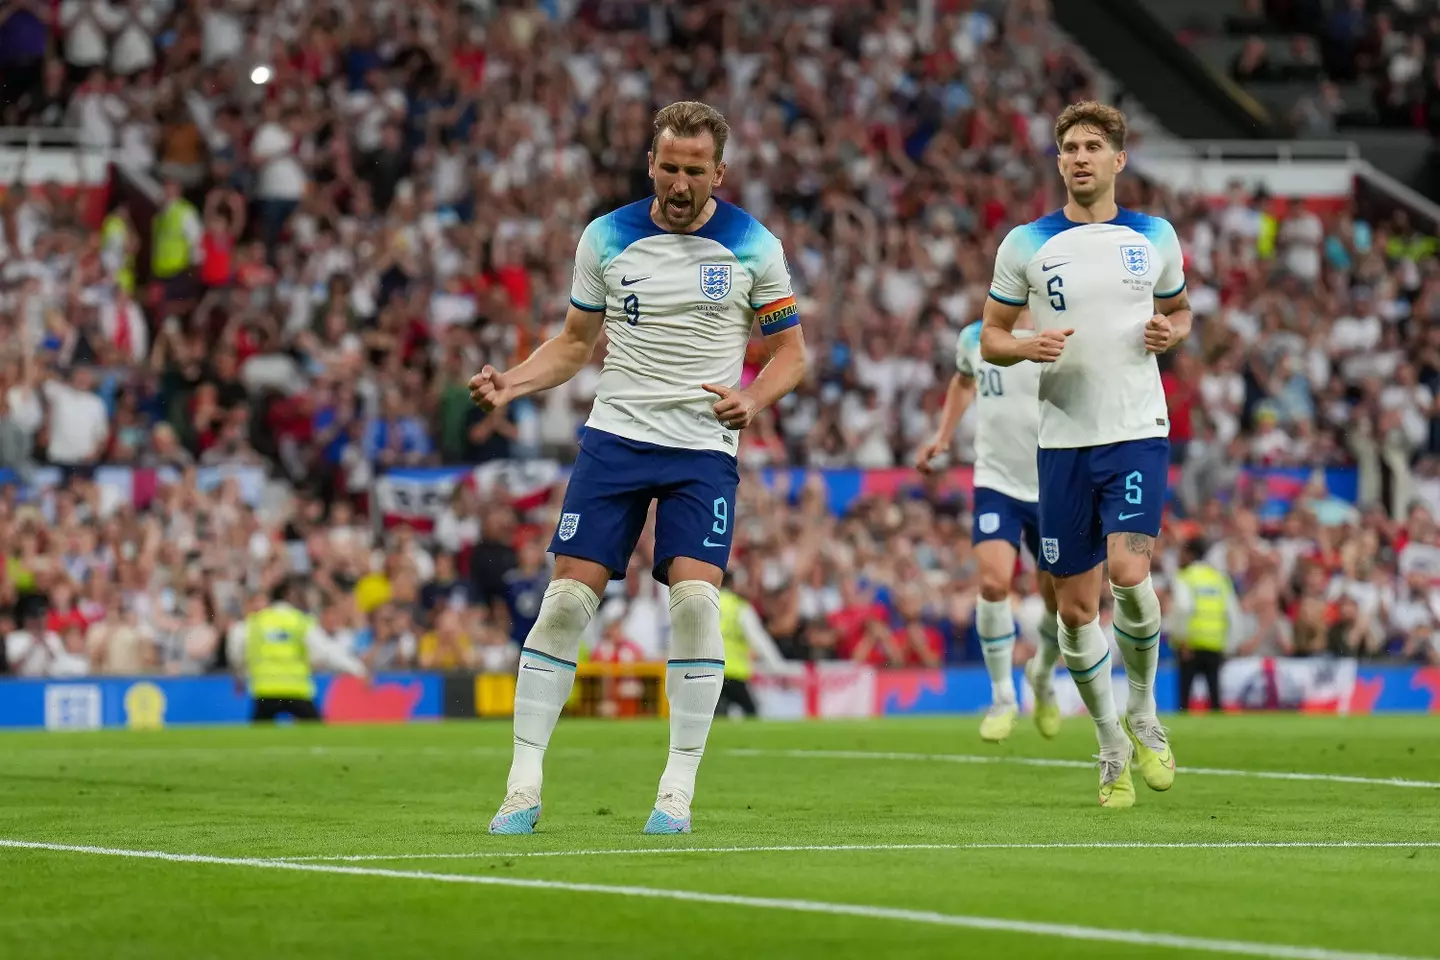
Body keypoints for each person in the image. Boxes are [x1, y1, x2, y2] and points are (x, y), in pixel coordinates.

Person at [471, 100, 808, 836]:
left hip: (701, 447)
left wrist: (752, 398)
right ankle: (521, 789)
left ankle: (675, 795)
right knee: (563, 603)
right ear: (650, 162)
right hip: (616, 440)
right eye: (669, 167)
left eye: (695, 170)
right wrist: (513, 384)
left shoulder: (754, 245)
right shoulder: (607, 236)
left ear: (719, 171)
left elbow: (792, 355)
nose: (680, 182)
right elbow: (571, 344)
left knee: (693, 604)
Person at [980, 101, 1191, 809]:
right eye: (1069, 146)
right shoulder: (1026, 243)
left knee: (1130, 573)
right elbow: (991, 336)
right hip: (1063, 439)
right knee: (1074, 611)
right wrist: (1024, 345)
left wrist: (1173, 331)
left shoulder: (1154, 235)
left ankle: (1143, 712)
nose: (1079, 157)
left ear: (1118, 160)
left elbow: (1181, 310)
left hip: (1135, 427)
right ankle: (1109, 749)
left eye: (1093, 146)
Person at [916, 311, 1063, 742]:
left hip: (1053, 485)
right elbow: (963, 381)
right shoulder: (976, 337)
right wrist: (944, 435)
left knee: (1061, 603)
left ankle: (1042, 673)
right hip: (996, 482)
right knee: (995, 583)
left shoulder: (1056, 332)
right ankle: (1003, 696)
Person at [228, 578, 369, 722]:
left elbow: (236, 651)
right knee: (318, 737)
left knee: (258, 741)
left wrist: (240, 677)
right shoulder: (302, 622)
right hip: (297, 690)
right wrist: (357, 669)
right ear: (291, 597)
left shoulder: (254, 623)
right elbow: (326, 652)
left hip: (265, 691)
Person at [1170, 539, 1238, 712]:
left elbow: (1183, 607)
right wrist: (1230, 643)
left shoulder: (1185, 577)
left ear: (1190, 554)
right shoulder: (1219, 578)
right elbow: (1232, 613)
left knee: (1184, 699)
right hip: (1215, 642)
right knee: (1215, 696)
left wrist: (1182, 638)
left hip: (1190, 643)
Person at [715, 573, 793, 718]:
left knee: (715, 716)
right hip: (733, 672)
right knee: (751, 713)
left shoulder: (707, 604)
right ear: (733, 584)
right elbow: (760, 641)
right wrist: (779, 670)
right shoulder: (739, 607)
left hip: (710, 671)